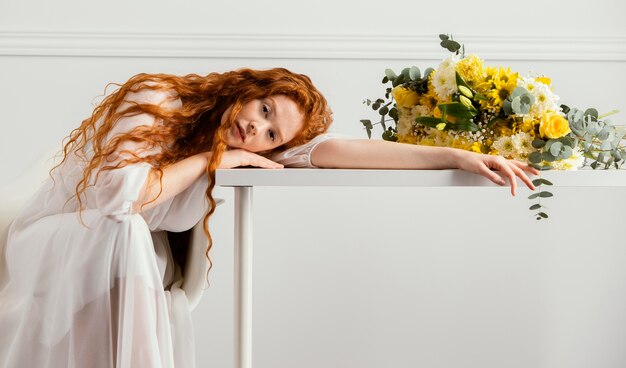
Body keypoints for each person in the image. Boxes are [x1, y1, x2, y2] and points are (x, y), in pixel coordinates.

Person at [0, 67, 537, 368]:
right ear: (246, 90)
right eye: (261, 110)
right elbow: (121, 196)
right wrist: (213, 160)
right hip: (48, 244)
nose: (256, 132)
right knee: (128, 228)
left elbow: (340, 151)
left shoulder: (246, 145)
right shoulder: (158, 99)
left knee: (133, 244)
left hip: (114, 266)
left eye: (273, 135)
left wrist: (457, 156)